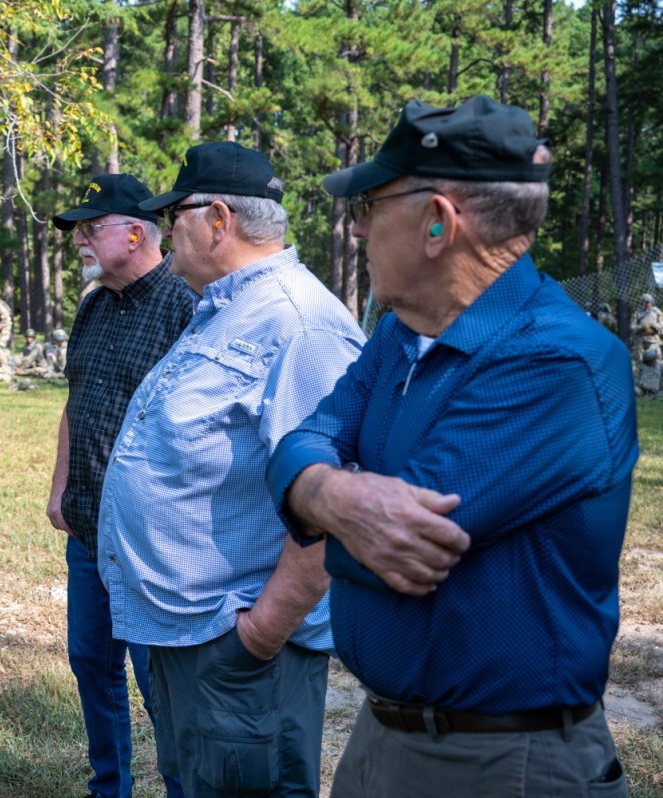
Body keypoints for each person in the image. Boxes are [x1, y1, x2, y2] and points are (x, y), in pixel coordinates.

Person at [265, 96, 636, 798]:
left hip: (504, 764)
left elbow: (400, 546)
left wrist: (309, 500)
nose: (357, 229)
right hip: (383, 739)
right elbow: (301, 441)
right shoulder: (398, 334)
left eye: (370, 206)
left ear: (438, 221)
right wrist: (332, 492)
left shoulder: (559, 363)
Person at [96, 141, 365, 798]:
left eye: (174, 215)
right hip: (194, 634)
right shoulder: (224, 307)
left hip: (238, 644)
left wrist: (257, 634)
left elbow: (334, 507)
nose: (164, 231)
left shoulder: (299, 325)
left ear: (218, 219)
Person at [47, 172, 193, 798]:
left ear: (136, 233)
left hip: (150, 537)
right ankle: (111, 788)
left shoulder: (187, 305)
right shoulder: (94, 305)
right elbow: (76, 402)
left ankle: (185, 787)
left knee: (158, 680)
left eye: (90, 226)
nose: (79, 238)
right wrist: (59, 490)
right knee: (91, 663)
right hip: (87, 530)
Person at [632, 293, 662, 368]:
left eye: (647, 302)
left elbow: (662, 325)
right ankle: (640, 375)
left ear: (651, 302)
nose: (645, 304)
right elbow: (632, 327)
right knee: (639, 360)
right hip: (640, 340)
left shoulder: (657, 312)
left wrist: (653, 326)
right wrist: (641, 327)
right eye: (644, 302)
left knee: (656, 359)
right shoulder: (637, 313)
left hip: (653, 340)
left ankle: (657, 375)